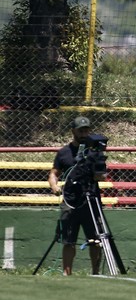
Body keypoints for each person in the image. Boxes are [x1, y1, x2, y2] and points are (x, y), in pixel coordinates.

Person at [48, 116, 103, 275]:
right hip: (71, 201)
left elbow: (101, 173)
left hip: (91, 200)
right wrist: (54, 185)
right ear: (73, 131)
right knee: (68, 240)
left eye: (86, 130)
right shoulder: (64, 153)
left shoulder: (94, 152)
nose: (84, 133)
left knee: (96, 240)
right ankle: (67, 273)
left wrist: (99, 174)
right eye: (81, 130)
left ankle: (96, 272)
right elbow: (54, 173)